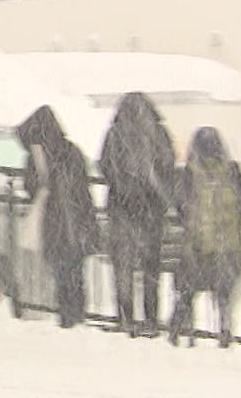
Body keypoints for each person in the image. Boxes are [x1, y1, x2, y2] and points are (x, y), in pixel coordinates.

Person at [99, 93, 176, 337]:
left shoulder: (115, 134)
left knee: (123, 267)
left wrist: (123, 187)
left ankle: (126, 317)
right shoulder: (159, 134)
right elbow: (168, 167)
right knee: (150, 268)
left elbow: (105, 166)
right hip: (151, 210)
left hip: (122, 208)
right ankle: (151, 319)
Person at [17, 105, 97, 328]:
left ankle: (67, 315)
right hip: (74, 219)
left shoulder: (36, 155)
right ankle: (75, 315)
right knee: (74, 272)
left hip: (53, 221)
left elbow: (31, 186)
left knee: (62, 272)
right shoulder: (71, 151)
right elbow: (81, 188)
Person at [169, 127, 241, 348]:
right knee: (223, 295)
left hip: (196, 244)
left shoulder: (189, 174)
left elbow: (180, 207)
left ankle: (179, 333)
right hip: (226, 245)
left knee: (186, 293)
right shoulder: (232, 172)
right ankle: (224, 333)